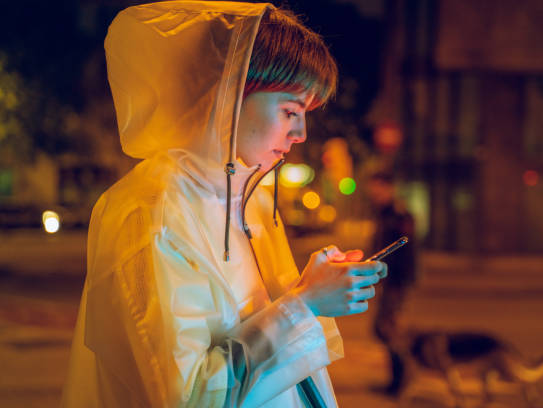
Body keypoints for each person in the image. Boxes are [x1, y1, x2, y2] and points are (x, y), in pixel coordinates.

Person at [61, 2, 386, 408]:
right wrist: (305, 304)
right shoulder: (151, 214)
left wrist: (311, 289)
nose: (301, 132)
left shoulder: (247, 197)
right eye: (289, 110)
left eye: (305, 114)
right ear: (228, 93)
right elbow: (191, 396)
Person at [367, 169, 418, 396]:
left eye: (379, 187)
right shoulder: (383, 213)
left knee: (388, 329)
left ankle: (401, 379)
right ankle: (397, 379)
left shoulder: (399, 215)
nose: (375, 193)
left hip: (397, 280)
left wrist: (400, 280)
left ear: (389, 188)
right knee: (385, 328)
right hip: (387, 280)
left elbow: (407, 251)